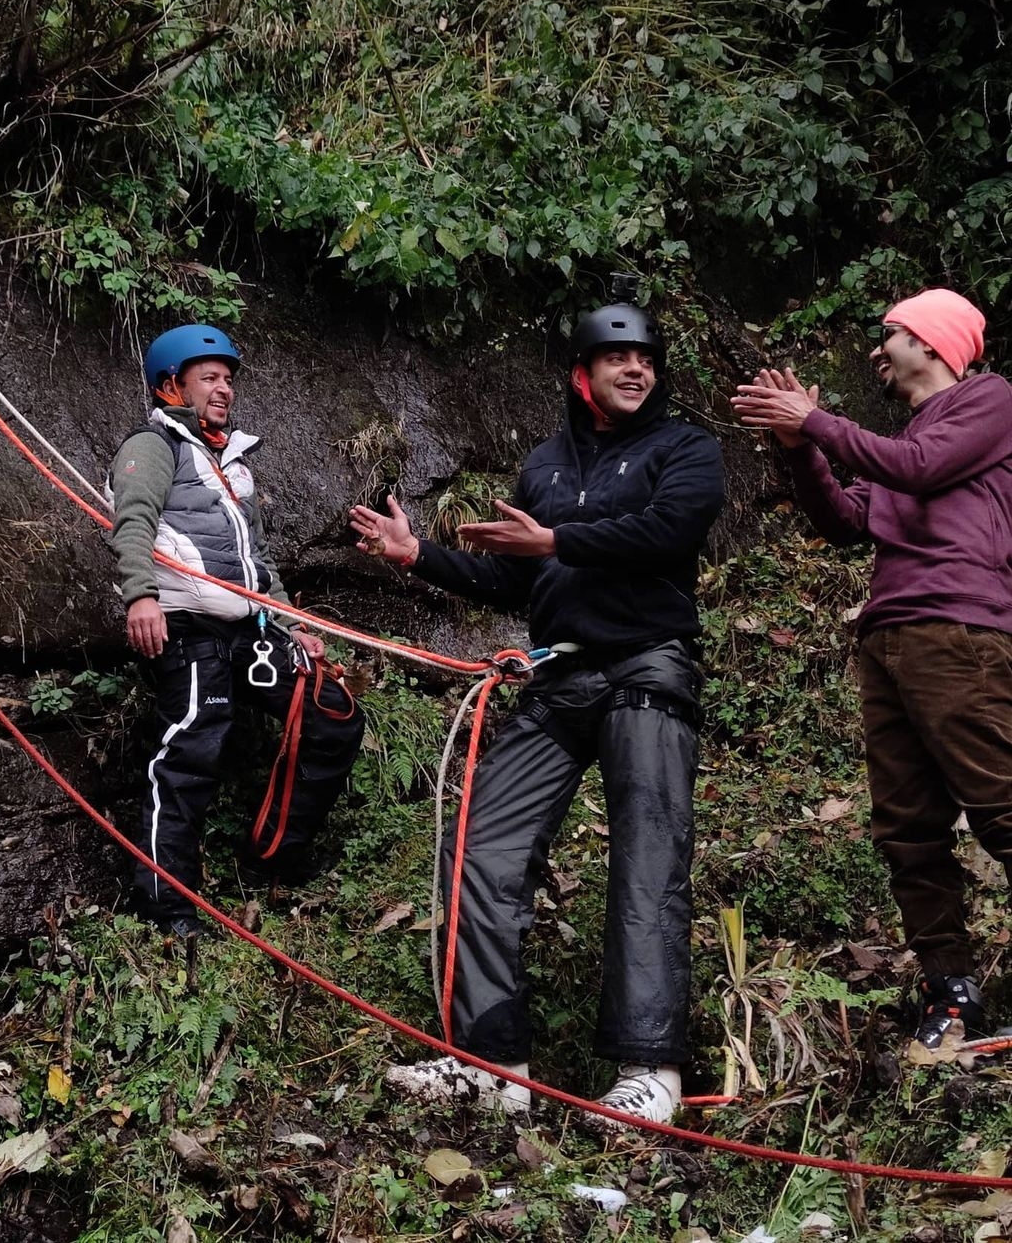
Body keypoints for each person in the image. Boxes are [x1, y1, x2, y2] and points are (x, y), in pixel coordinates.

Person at [349, 298, 724, 1123]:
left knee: (648, 857)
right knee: (479, 844)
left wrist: (556, 540)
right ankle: (493, 1064)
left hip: (648, 666)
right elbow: (519, 583)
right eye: (619, 358)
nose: (638, 370)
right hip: (560, 680)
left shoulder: (685, 448)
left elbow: (669, 531)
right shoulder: (547, 467)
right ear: (582, 373)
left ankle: (651, 1069)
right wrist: (420, 558)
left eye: (648, 360)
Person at [731, 287, 1012, 1047]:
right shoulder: (900, 440)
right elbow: (845, 519)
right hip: (887, 637)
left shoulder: (988, 401)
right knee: (906, 825)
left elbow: (921, 469)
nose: (876, 350)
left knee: (999, 802)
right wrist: (799, 447)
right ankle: (949, 989)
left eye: (889, 334)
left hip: (958, 626)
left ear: (932, 343)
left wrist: (816, 421)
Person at [109, 324, 365, 939]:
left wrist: (290, 624)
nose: (223, 388)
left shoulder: (228, 461)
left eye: (227, 378)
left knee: (331, 714)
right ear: (173, 385)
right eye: (209, 378)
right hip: (188, 630)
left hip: (248, 629)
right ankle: (168, 909)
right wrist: (140, 596)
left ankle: (277, 852)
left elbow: (255, 563)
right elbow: (132, 523)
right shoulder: (152, 447)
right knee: (190, 756)